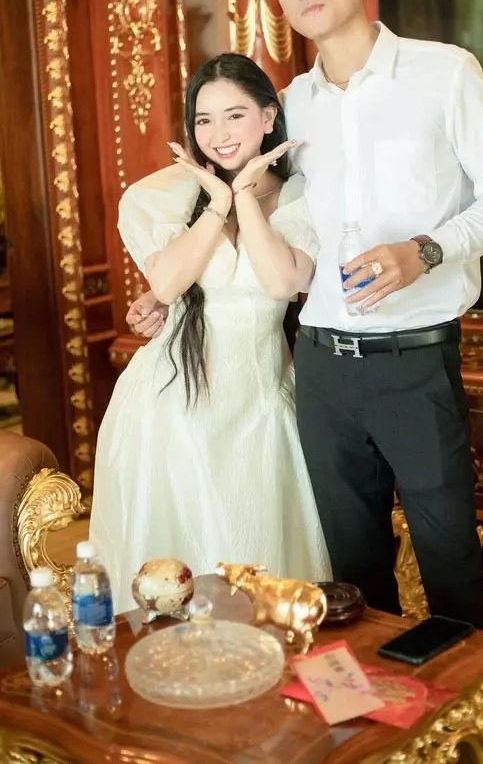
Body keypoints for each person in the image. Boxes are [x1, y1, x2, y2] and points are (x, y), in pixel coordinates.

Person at [128, 0, 483, 637]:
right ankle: (371, 713)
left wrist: (426, 250)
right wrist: (173, 299)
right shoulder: (287, 108)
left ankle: (480, 713)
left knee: (450, 566)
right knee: (349, 581)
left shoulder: (443, 73)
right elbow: (242, 212)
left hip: (415, 361)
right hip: (318, 369)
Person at [89, 53, 331, 613]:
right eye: (203, 120)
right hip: (171, 406)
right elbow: (168, 283)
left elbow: (282, 281)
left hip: (260, 407)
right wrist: (217, 203)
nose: (218, 134)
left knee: (260, 561)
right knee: (174, 571)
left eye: (234, 115)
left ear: (268, 117)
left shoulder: (301, 196)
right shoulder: (159, 196)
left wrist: (244, 195)